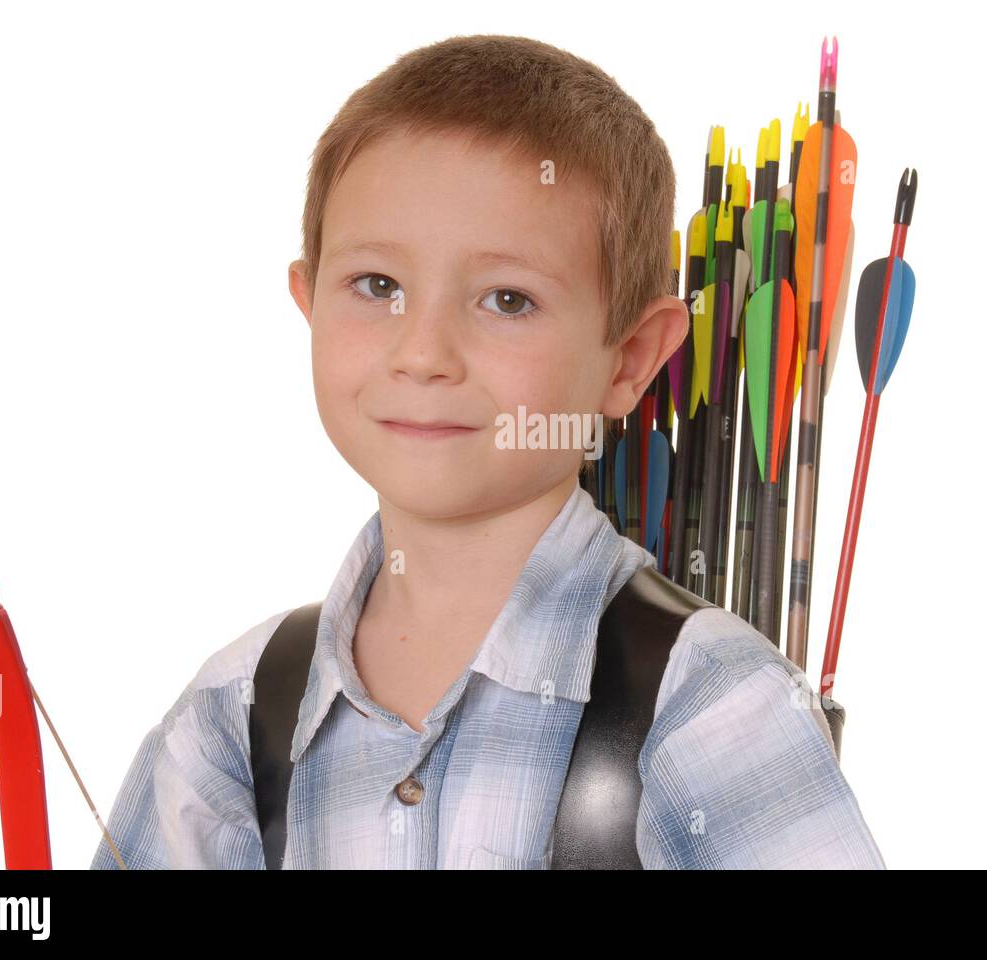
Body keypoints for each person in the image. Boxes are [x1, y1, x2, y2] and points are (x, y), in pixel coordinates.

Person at [91, 33, 884, 870]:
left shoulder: (712, 706)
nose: (423, 351)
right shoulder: (238, 714)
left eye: (508, 300)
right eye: (378, 287)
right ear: (309, 303)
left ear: (632, 358)